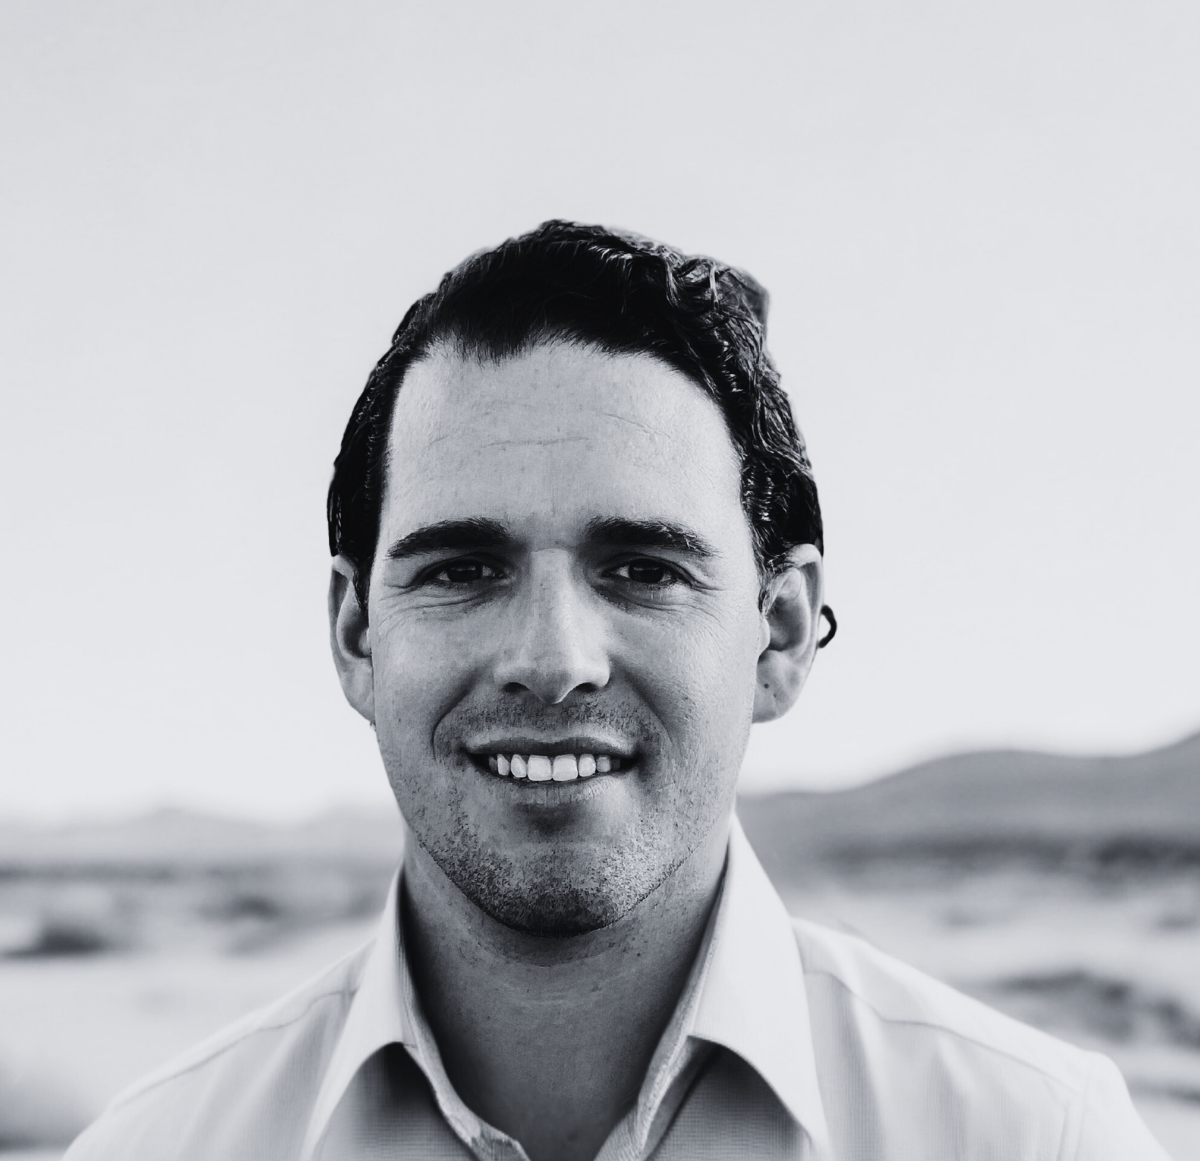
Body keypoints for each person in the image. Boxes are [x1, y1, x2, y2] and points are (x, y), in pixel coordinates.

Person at [66, 221, 1166, 1160]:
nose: (554, 660)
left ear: (780, 634)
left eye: (643, 570)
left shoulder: (1038, 1139)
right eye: (462, 569)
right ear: (357, 634)